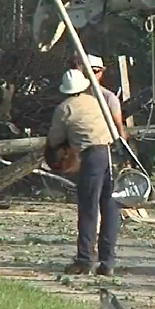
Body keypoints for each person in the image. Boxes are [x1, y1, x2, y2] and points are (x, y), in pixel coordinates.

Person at [47, 69, 118, 276]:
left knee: (88, 208)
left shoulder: (65, 108)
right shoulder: (96, 101)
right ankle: (107, 262)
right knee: (110, 207)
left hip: (91, 156)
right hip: (111, 153)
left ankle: (84, 260)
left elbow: (54, 140)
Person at [73, 54, 127, 141]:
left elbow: (118, 126)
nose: (90, 74)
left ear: (101, 73)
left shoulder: (109, 97)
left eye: (94, 71)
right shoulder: (76, 96)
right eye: (88, 71)